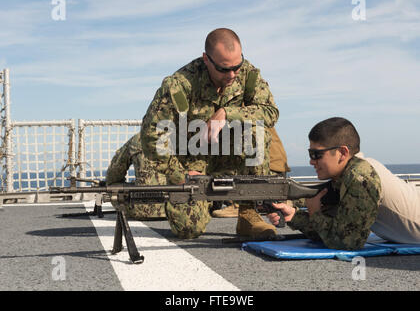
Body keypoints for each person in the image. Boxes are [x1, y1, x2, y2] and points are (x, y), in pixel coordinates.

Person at [109, 27, 289, 239]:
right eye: (224, 69)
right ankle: (203, 203)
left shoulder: (249, 75)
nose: (232, 75)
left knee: (255, 131)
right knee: (188, 230)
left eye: (237, 66)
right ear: (206, 59)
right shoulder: (180, 84)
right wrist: (179, 176)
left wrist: (226, 113)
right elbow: (152, 135)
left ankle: (248, 214)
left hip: (231, 157)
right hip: (191, 162)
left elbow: (270, 111)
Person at [268, 117, 420, 250]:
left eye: (316, 154)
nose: (311, 161)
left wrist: (315, 213)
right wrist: (294, 216)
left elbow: (347, 242)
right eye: (310, 154)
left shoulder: (360, 178)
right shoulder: (349, 174)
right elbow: (331, 230)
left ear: (342, 153)